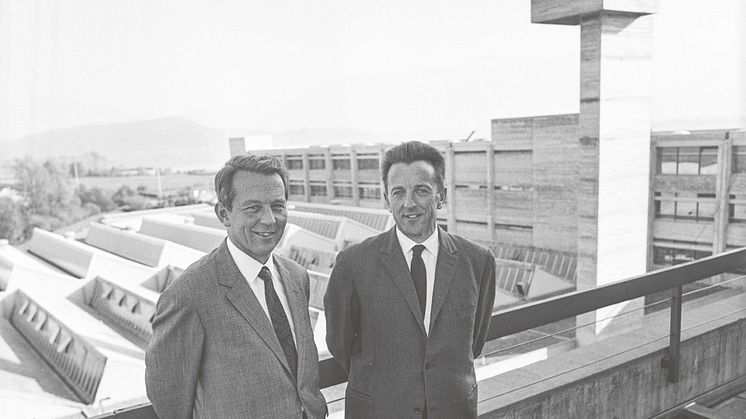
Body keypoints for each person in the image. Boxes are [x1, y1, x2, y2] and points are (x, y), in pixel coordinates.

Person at [145, 155, 327, 419]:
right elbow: (169, 398)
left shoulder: (296, 276)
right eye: (253, 208)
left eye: (277, 206)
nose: (269, 220)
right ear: (224, 214)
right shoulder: (189, 294)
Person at [324, 140, 496, 419]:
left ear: (442, 196)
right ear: (386, 198)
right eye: (398, 192)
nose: (409, 203)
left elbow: (474, 342)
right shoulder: (352, 264)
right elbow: (340, 344)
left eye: (422, 190)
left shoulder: (478, 261)